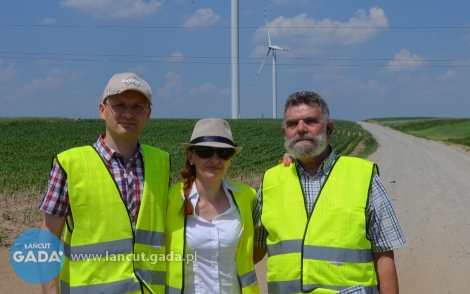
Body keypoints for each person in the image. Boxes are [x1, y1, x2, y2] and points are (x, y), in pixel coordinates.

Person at [253, 91, 405, 294]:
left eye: (310, 121)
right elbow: (254, 252)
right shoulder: (271, 181)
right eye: (292, 124)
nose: (301, 129)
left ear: (329, 128)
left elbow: (384, 253)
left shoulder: (364, 177)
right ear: (284, 133)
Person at [39, 72, 170, 294]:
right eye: (119, 105)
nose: (128, 113)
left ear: (148, 114)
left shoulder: (161, 162)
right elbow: (47, 237)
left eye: (138, 107)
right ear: (102, 110)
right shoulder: (70, 164)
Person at [165, 118, 259, 294]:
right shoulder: (169, 199)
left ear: (231, 159)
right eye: (205, 151)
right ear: (190, 156)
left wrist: (292, 162)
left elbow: (258, 250)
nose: (215, 159)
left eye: (224, 153)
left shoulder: (247, 197)